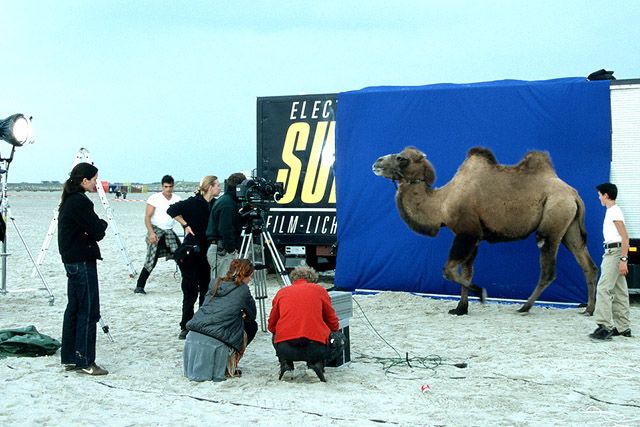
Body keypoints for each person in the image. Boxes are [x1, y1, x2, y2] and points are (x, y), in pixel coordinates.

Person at [58, 162, 109, 376]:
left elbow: (93, 229)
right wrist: (99, 226)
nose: (96, 183)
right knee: (88, 310)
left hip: (72, 259)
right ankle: (85, 361)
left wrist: (95, 227)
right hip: (80, 260)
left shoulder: (70, 200)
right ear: (84, 180)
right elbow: (97, 230)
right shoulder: (79, 201)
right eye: (94, 179)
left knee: (75, 308)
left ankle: (71, 357)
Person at [183, 259, 258, 382]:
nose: (250, 279)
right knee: (252, 326)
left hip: (195, 330)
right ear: (244, 275)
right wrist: (241, 314)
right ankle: (230, 364)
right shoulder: (243, 290)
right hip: (216, 336)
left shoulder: (216, 282)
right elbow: (252, 315)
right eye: (249, 276)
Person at [168, 176, 221, 339]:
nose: (220, 188)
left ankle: (201, 323)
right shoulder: (192, 203)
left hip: (208, 252)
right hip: (192, 251)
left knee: (206, 290)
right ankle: (186, 325)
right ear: (210, 187)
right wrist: (185, 225)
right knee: (189, 291)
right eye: (218, 185)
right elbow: (171, 210)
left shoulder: (214, 205)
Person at [268, 265, 340, 382]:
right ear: (313, 280)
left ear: (293, 279)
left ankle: (286, 364)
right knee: (339, 339)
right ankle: (316, 364)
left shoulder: (282, 292)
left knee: (276, 333)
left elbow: (271, 325)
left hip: (285, 347)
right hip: (314, 346)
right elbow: (333, 323)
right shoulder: (320, 291)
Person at [589, 183, 632, 340]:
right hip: (615, 251)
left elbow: (625, 238)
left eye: (600, 194)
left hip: (614, 252)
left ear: (606, 195)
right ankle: (623, 328)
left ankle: (604, 326)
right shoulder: (612, 212)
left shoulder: (614, 212)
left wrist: (623, 260)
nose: (599, 197)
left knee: (603, 288)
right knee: (619, 291)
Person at [134, 175, 182, 294]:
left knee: (181, 256)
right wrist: (151, 233)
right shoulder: (154, 198)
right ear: (162, 186)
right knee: (151, 260)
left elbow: (180, 217)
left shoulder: (177, 199)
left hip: (169, 232)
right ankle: (139, 286)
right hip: (156, 230)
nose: (168, 189)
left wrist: (186, 228)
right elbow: (147, 217)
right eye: (166, 186)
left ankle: (189, 283)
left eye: (170, 186)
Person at [206, 172, 246, 280]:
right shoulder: (227, 204)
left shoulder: (226, 201)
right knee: (222, 285)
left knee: (225, 284)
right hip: (222, 251)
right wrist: (232, 249)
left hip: (221, 249)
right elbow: (225, 229)